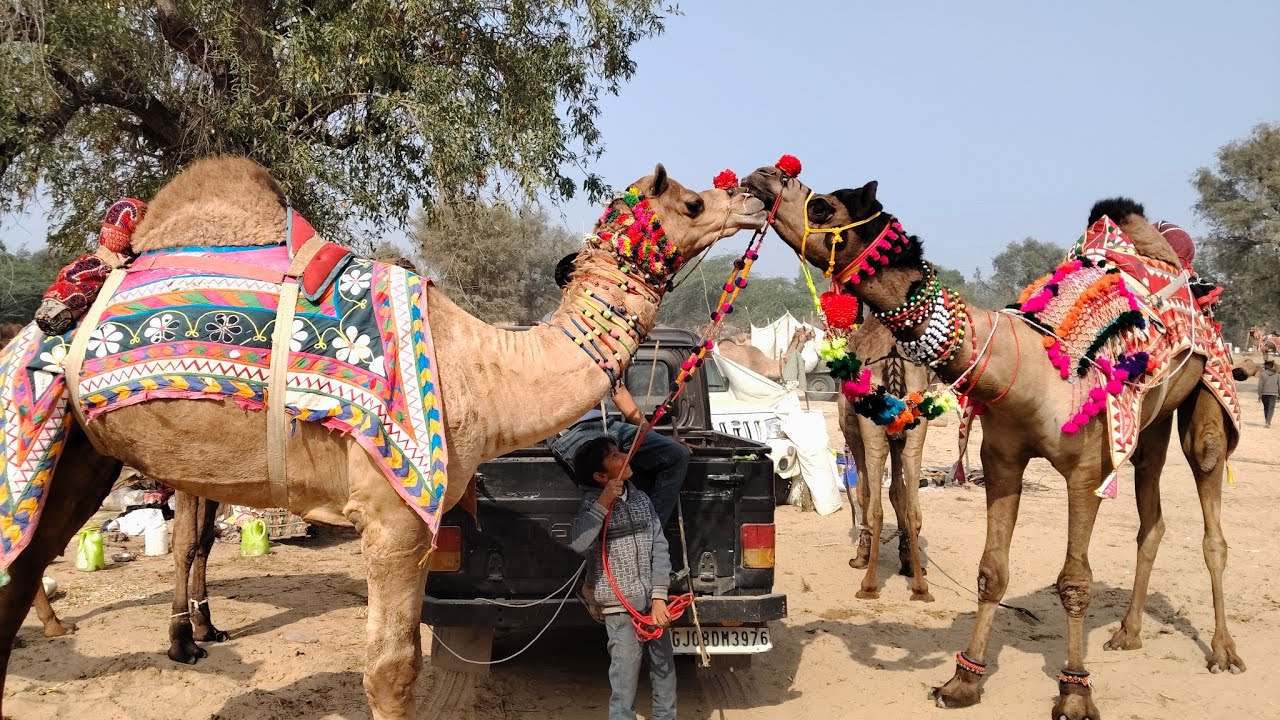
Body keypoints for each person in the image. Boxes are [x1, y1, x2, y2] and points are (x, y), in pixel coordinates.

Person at [545, 252, 690, 525]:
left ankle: (650, 532)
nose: (601, 289)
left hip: (608, 426)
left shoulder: (600, 331)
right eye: (590, 283)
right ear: (568, 290)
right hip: (570, 431)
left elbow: (618, 390)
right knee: (605, 475)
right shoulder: (549, 333)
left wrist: (650, 434)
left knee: (675, 454)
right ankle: (601, 545)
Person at [569, 435, 676, 720]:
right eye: (615, 456)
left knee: (664, 672)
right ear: (601, 476)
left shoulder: (641, 498)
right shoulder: (591, 504)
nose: (624, 456)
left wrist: (659, 597)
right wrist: (604, 502)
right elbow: (580, 543)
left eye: (620, 451)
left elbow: (660, 546)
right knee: (624, 682)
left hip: (653, 605)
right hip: (619, 607)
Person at [1258, 360, 1279, 428]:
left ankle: (1267, 421)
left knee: (1266, 408)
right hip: (1274, 394)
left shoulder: (1263, 374)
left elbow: (1260, 385)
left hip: (1264, 393)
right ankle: (1268, 422)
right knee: (1271, 408)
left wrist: (1259, 394)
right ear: (1272, 366)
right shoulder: (1277, 375)